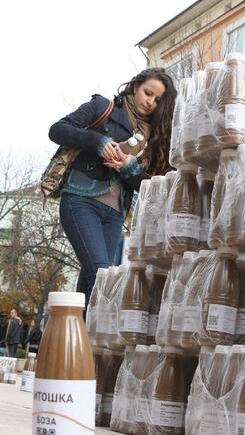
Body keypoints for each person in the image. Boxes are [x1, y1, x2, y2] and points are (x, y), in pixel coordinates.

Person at [49, 68, 176, 309]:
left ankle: (81, 342)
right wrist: (99, 142)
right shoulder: (103, 107)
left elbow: (149, 186)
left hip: (115, 214)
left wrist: (128, 168)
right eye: (148, 93)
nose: (151, 102)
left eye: (158, 100)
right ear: (136, 86)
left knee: (93, 280)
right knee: (100, 275)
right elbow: (57, 130)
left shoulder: (156, 136)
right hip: (81, 200)